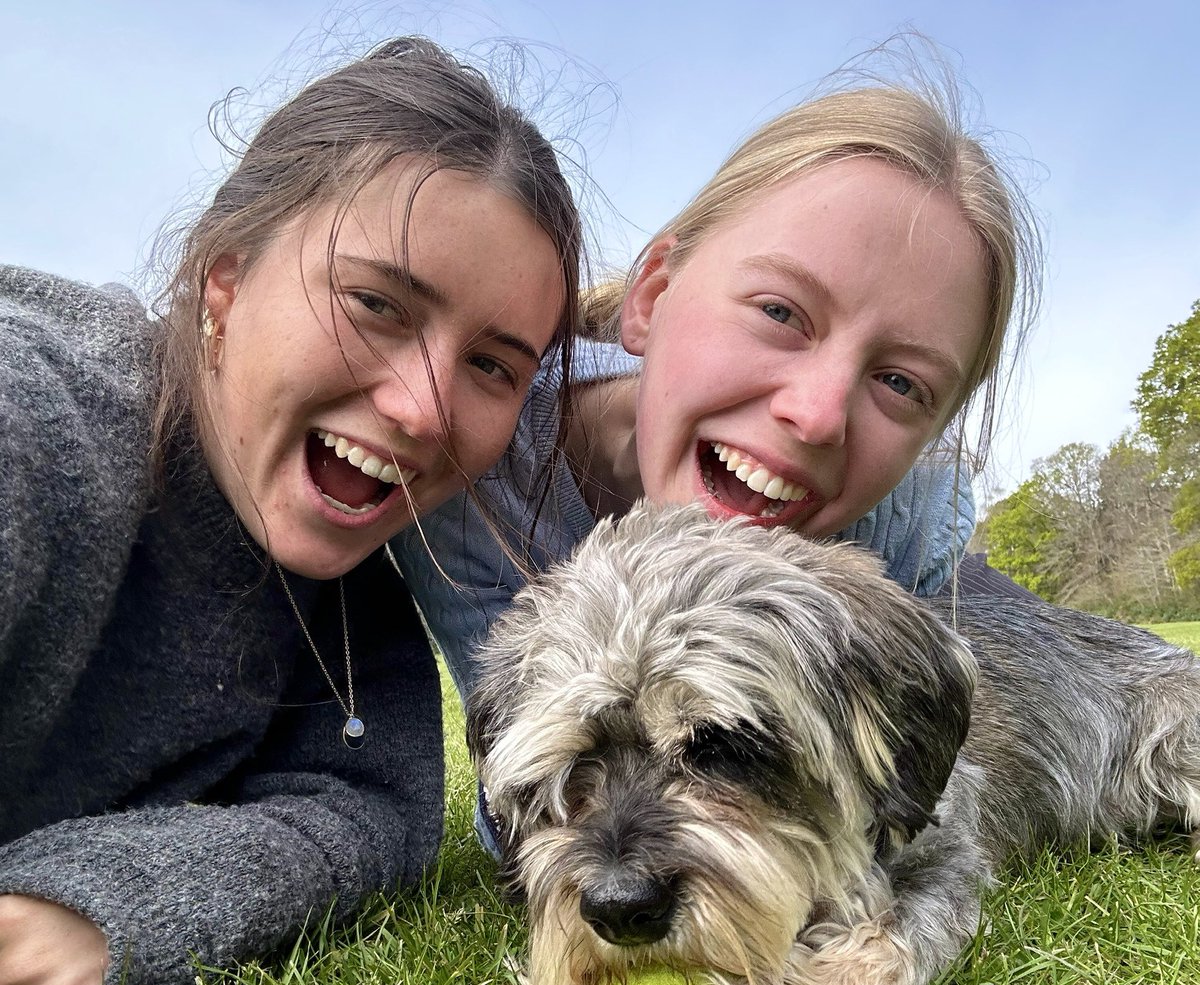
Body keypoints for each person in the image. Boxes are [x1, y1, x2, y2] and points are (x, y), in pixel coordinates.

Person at [0, 36, 582, 985]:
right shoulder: (41, 413)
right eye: (374, 305)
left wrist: (102, 908)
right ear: (225, 279)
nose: (423, 407)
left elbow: (373, 815)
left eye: (493, 365)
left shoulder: (358, 610)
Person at [392, 76, 1042, 854]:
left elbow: (899, 783)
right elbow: (522, 806)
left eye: (901, 383)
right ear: (653, 295)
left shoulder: (909, 514)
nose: (818, 413)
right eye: (780, 312)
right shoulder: (479, 467)